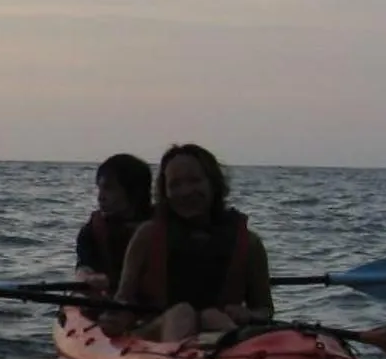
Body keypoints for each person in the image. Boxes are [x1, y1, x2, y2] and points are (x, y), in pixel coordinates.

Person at [111, 143, 272, 342]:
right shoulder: (147, 236)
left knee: (212, 316)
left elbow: (265, 310)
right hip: (155, 333)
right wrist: (116, 318)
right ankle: (181, 355)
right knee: (182, 313)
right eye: (175, 185)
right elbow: (124, 298)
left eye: (195, 181)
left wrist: (248, 314)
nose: (186, 191)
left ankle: (231, 349)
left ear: (213, 184)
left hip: (217, 331)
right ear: (165, 192)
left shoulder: (250, 244)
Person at [74, 153, 152, 298]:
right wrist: (86, 278)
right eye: (99, 188)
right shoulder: (91, 231)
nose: (100, 197)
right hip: (109, 300)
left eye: (109, 188)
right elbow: (84, 264)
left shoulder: (163, 226)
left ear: (135, 192)